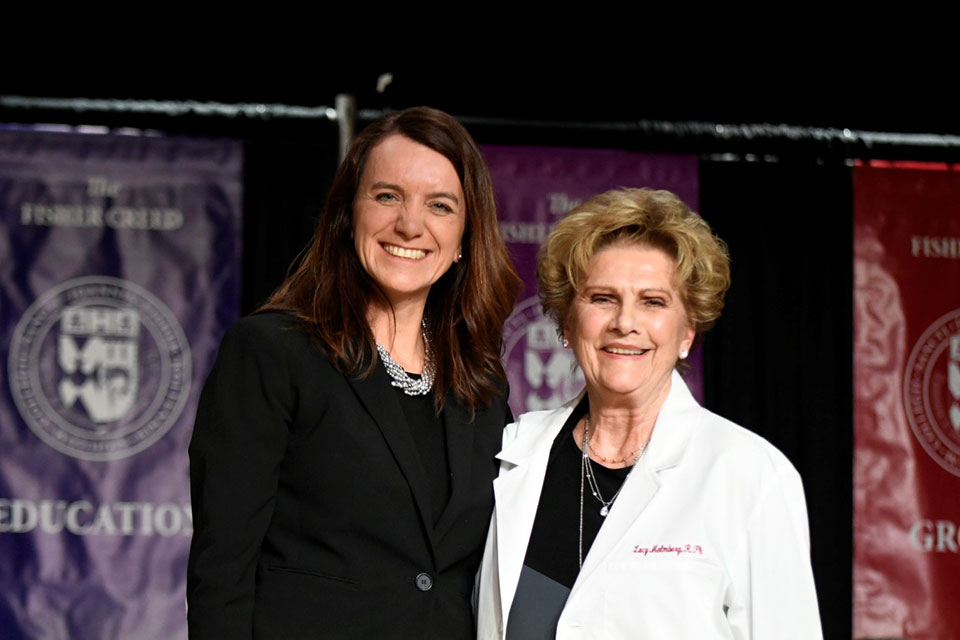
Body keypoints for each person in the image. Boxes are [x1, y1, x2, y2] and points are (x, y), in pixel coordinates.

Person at [187, 107, 520, 639]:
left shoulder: (481, 385)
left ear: (463, 240)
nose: (410, 224)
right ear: (346, 214)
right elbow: (220, 575)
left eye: (440, 205)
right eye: (388, 196)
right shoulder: (272, 353)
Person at [476, 188, 822, 639]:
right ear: (566, 322)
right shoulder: (511, 450)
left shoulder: (751, 475)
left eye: (653, 302)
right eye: (602, 298)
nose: (625, 322)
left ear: (687, 330)